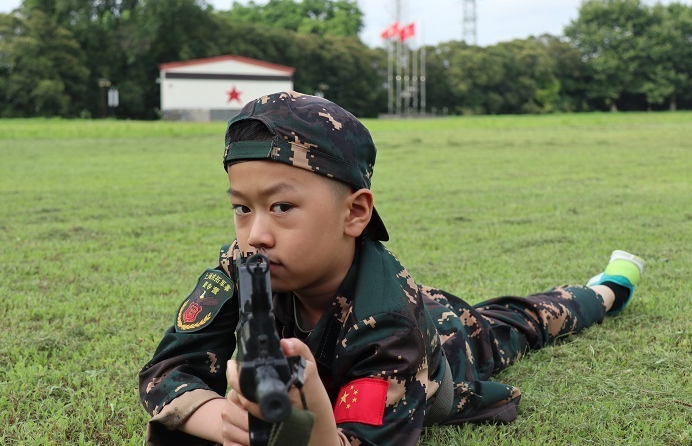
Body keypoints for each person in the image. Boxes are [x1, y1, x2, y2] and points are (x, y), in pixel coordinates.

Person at [138, 91, 645, 446]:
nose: (256, 234)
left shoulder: (388, 319)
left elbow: (367, 439)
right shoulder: (242, 265)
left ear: (354, 213)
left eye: (282, 207)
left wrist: (310, 419)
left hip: (449, 337)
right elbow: (166, 371)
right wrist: (222, 420)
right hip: (398, 313)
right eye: (242, 208)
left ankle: (605, 290)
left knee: (520, 321)